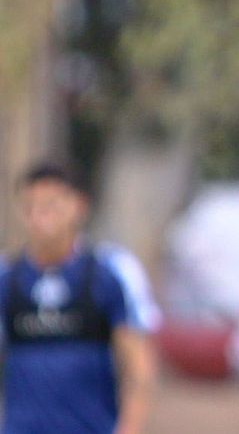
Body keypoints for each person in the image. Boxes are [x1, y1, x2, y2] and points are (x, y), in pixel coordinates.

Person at [0, 162, 159, 434]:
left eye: (51, 206)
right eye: (31, 207)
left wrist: (130, 428)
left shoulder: (109, 275)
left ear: (79, 206)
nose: (40, 217)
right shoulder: (7, 280)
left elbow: (137, 368)